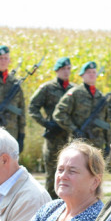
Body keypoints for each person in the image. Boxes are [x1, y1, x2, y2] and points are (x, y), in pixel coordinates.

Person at [29, 56, 72, 198]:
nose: (66, 72)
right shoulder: (47, 88)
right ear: (57, 70)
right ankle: (49, 203)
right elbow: (33, 107)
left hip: (70, 137)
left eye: (68, 69)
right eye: (63, 69)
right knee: (53, 173)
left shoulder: (74, 90)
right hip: (53, 137)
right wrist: (46, 123)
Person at [52, 61, 111, 154]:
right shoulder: (75, 93)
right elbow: (59, 114)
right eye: (88, 72)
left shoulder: (100, 96)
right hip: (79, 143)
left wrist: (109, 143)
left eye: (94, 72)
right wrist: (74, 129)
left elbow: (106, 121)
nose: (92, 75)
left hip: (97, 144)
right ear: (82, 75)